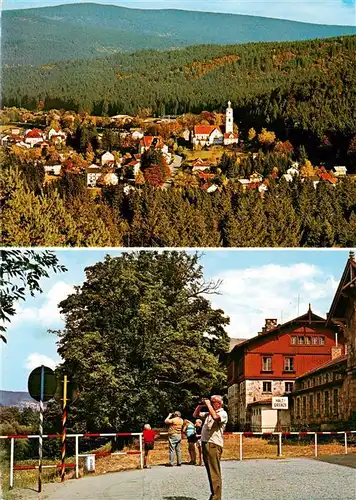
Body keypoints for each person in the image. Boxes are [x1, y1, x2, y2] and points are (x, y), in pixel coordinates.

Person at [193, 395, 228, 500]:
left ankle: (216, 497)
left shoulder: (222, 413)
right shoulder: (209, 412)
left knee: (214, 471)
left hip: (214, 444)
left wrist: (208, 405)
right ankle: (214, 495)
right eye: (211, 402)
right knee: (210, 471)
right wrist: (200, 405)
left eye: (213, 402)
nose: (211, 403)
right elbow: (195, 415)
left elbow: (216, 418)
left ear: (219, 403)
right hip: (206, 443)